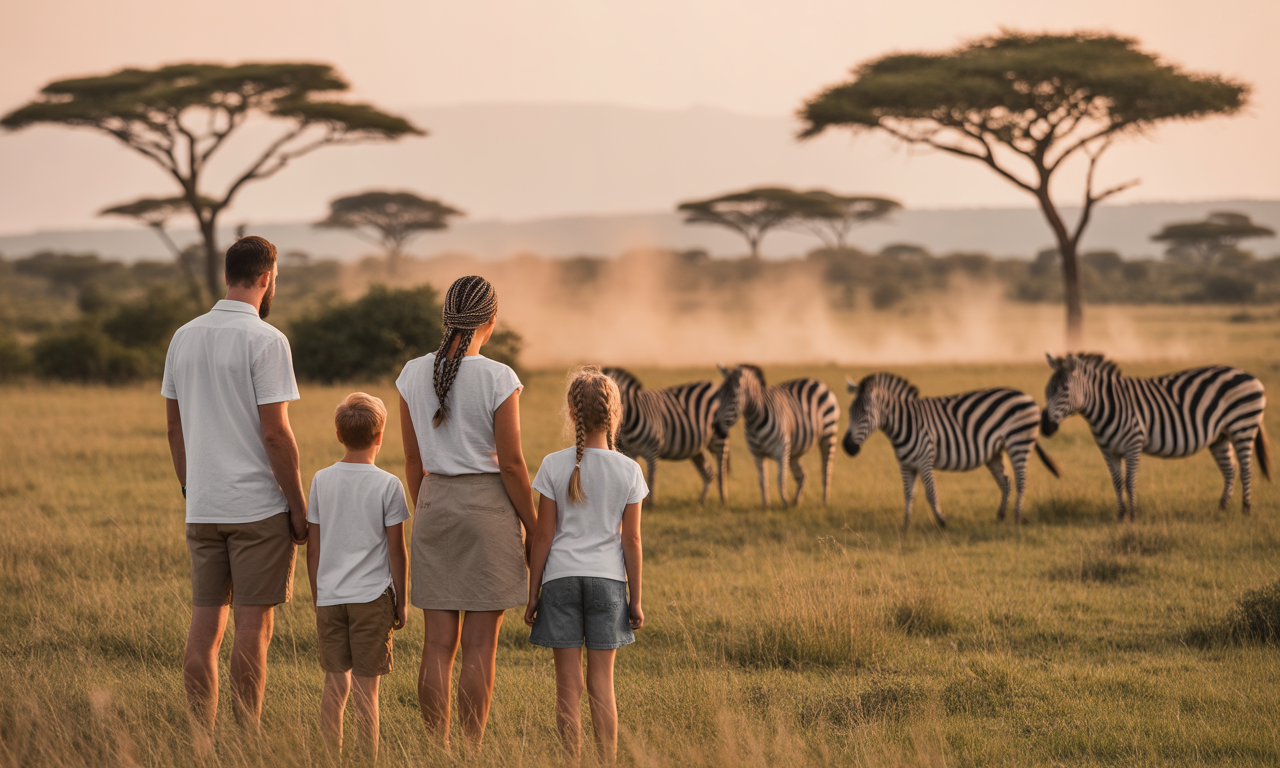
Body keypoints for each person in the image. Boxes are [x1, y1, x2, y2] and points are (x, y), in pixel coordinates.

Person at [161, 235, 307, 737]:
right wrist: (297, 505)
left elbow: (174, 430)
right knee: (252, 631)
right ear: (266, 277)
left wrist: (190, 489)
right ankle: (247, 739)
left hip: (202, 505)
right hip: (258, 510)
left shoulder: (183, 336)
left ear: (227, 275)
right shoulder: (267, 340)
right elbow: (276, 434)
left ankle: (201, 740)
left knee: (204, 631)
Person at [396, 275, 537, 749]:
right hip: (489, 511)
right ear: (490, 321)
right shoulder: (499, 377)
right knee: (480, 646)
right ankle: (470, 749)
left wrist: (430, 510)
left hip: (434, 503)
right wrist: (534, 528)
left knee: (437, 644)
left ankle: (435, 749)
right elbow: (513, 465)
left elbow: (413, 461)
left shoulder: (411, 373)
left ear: (446, 319)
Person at [524, 367, 646, 763]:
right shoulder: (629, 470)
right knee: (601, 684)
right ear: (614, 415)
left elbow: (542, 536)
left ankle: (569, 761)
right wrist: (637, 599)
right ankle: (606, 761)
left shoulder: (552, 464)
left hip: (558, 582)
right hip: (609, 584)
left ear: (572, 414)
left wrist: (532, 593)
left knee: (567, 687)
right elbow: (632, 540)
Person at [305, 392, 409, 760]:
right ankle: (368, 760)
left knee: (334, 687)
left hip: (331, 597)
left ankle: (330, 758)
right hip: (373, 600)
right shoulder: (388, 484)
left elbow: (313, 548)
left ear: (338, 435)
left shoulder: (320, 480)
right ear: (380, 436)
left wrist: (319, 595)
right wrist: (402, 601)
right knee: (368, 694)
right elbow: (397, 550)